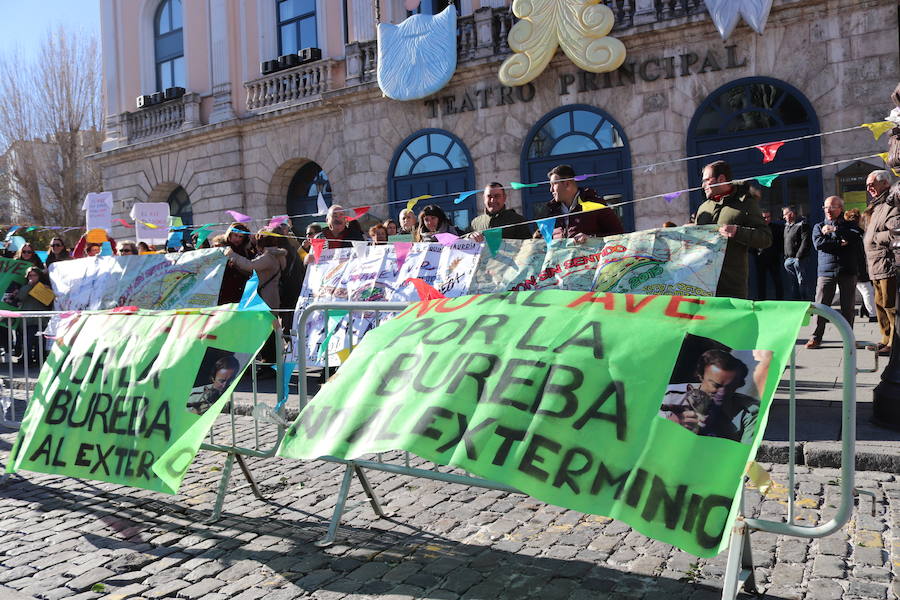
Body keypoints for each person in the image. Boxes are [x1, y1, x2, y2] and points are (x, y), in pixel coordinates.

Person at [695, 160, 772, 298]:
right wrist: (689, 232)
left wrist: (738, 232)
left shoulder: (746, 203)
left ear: (721, 179)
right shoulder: (703, 208)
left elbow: (765, 238)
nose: (703, 185)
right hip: (702, 285)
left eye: (707, 180)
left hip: (731, 286)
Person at [659, 349, 770, 444]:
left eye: (730, 387)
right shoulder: (668, 396)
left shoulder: (749, 412)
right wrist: (669, 422)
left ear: (739, 385)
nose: (722, 392)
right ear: (700, 376)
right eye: (716, 385)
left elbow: (746, 453)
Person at [224, 228, 288, 374]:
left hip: (267, 297)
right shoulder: (275, 255)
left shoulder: (268, 257)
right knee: (269, 331)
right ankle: (271, 364)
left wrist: (232, 255)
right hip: (271, 295)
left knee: (267, 332)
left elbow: (250, 265)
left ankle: (270, 365)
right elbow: (254, 270)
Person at [806, 196, 859, 349]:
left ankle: (848, 338)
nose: (828, 210)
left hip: (847, 270)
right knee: (821, 306)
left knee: (848, 307)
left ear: (841, 208)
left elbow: (855, 237)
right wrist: (840, 243)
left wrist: (834, 230)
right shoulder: (818, 226)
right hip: (826, 271)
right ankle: (816, 337)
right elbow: (819, 244)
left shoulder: (850, 225)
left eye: (832, 207)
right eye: (826, 207)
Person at [535, 164, 624, 243]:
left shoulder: (596, 204)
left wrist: (591, 238)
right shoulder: (549, 211)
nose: (551, 190)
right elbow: (539, 242)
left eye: (554, 184)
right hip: (560, 261)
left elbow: (619, 235)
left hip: (589, 260)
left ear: (567, 184)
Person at [863, 172, 900, 356]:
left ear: (885, 183)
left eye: (872, 184)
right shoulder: (876, 206)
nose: (869, 188)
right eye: (867, 185)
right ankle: (885, 339)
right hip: (875, 263)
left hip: (887, 262)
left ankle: (894, 344)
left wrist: (876, 237)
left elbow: (896, 231)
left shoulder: (891, 204)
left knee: (890, 305)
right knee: (879, 305)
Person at [466, 183, 532, 241]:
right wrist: (469, 237)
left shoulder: (517, 220)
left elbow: (527, 247)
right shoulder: (475, 223)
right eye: (489, 196)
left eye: (497, 196)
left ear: (504, 198)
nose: (492, 200)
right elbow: (462, 242)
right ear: (484, 198)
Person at [14, 267, 53, 365]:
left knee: (40, 341)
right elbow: (21, 297)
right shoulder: (25, 287)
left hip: (41, 319)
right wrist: (28, 286)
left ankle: (40, 359)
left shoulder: (44, 286)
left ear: (39, 276)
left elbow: (49, 301)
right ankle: (27, 360)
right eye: (30, 276)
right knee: (28, 341)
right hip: (28, 320)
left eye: (34, 275)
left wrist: (48, 290)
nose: (32, 278)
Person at [844, 208, 877, 322]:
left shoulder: (847, 230)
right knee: (867, 290)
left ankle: (822, 310)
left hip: (849, 266)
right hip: (858, 266)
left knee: (836, 291)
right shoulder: (859, 232)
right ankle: (873, 315)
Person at [217, 222, 255, 304]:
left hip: (241, 292)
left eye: (240, 237)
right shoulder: (220, 248)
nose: (237, 239)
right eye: (235, 235)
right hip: (222, 291)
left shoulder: (247, 252)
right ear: (229, 235)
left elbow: (251, 271)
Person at [782, 205, 812, 300]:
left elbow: (805, 241)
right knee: (793, 283)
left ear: (791, 214)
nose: (783, 217)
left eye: (785, 215)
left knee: (802, 282)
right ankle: (796, 303)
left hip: (799, 260)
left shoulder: (802, 225)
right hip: (788, 260)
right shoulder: (787, 227)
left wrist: (798, 257)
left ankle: (805, 303)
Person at [753, 209, 784, 300]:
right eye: (764, 217)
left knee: (777, 280)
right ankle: (761, 300)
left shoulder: (776, 228)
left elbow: (780, 242)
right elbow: (752, 242)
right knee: (761, 281)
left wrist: (779, 253)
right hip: (760, 259)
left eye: (768, 217)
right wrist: (756, 253)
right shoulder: (757, 229)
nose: (766, 219)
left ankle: (780, 300)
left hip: (774, 259)